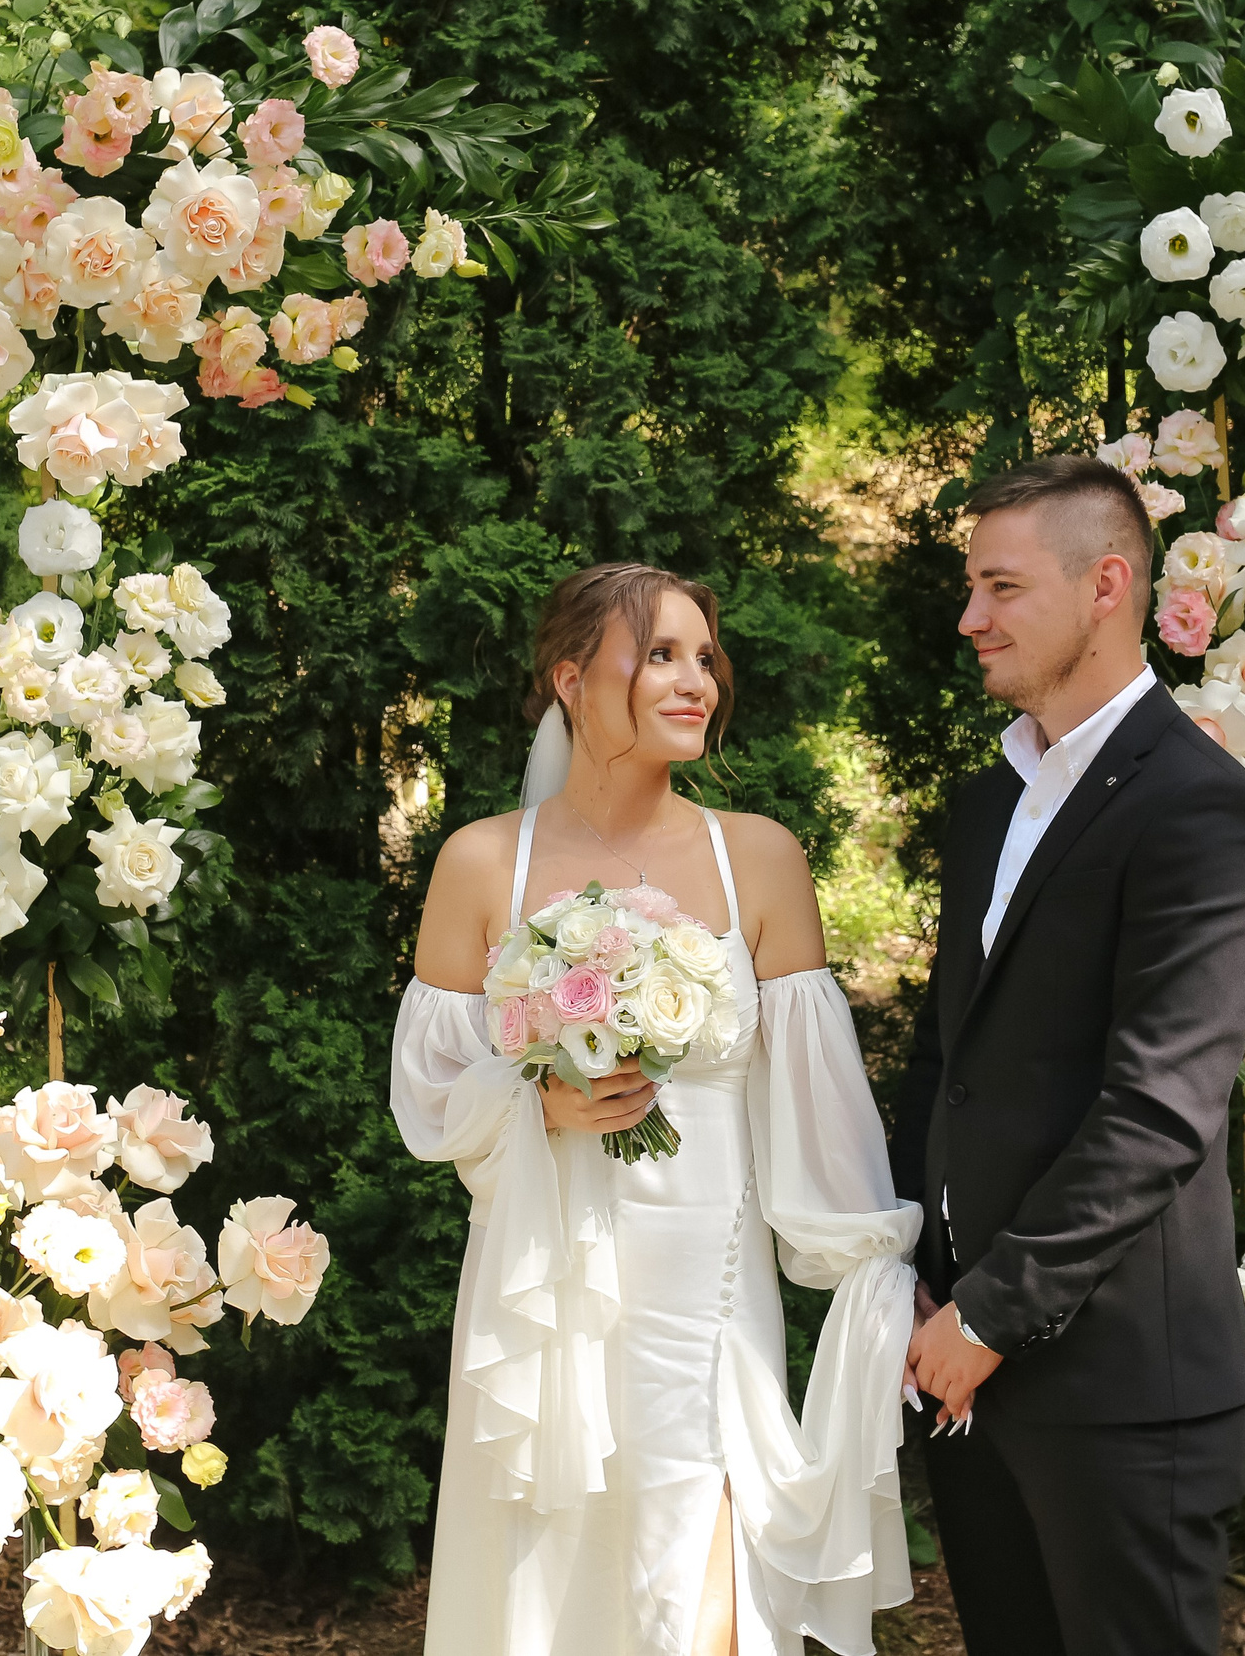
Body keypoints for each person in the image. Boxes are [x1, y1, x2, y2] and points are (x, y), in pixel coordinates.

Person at [391, 563, 921, 1656]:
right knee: (541, 1575)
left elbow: (817, 1107)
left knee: (699, 1590)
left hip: (706, 1306)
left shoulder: (759, 857)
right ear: (571, 679)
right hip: (542, 1296)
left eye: (705, 659)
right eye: (662, 655)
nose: (696, 683)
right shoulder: (482, 862)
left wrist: (875, 1271)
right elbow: (431, 1095)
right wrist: (537, 1101)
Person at [895, 456, 1245, 1656]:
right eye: (972, 586)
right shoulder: (989, 805)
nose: (970, 617)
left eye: (1002, 587)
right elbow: (946, 1063)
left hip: (1120, 1390)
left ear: (1106, 585)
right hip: (960, 1369)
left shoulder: (1200, 810)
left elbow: (1158, 1112)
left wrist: (988, 1315)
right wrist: (913, 1269)